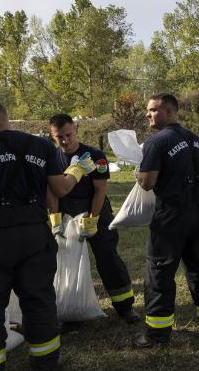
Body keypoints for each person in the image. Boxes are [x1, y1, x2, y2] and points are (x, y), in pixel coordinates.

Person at [0, 97, 96, 369]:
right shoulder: (41, 146)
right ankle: (45, 364)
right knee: (39, 300)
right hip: (35, 235)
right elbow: (61, 189)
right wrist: (76, 169)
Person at [133, 93, 199, 347]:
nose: (148, 115)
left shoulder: (156, 141)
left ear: (169, 111)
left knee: (159, 272)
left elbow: (148, 183)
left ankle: (157, 335)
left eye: (152, 110)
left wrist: (139, 175)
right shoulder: (196, 141)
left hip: (172, 215)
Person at [46, 114, 139, 323]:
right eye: (59, 137)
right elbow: (50, 191)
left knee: (107, 257)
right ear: (52, 135)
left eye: (69, 135)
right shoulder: (51, 159)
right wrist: (55, 217)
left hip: (94, 208)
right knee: (65, 261)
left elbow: (100, 190)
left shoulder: (95, 155)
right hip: (66, 212)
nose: (65, 141)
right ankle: (69, 308)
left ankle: (125, 306)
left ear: (76, 129)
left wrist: (93, 219)